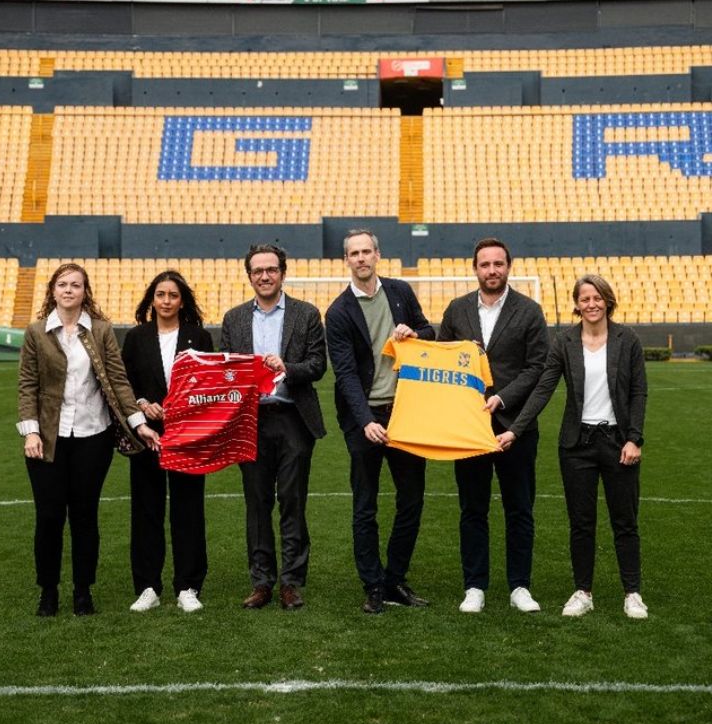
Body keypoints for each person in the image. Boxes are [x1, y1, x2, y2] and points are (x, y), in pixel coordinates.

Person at [497, 274, 648, 619]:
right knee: (581, 522)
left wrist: (633, 438)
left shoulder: (628, 340)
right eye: (584, 299)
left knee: (625, 521)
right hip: (576, 446)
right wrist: (515, 430)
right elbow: (542, 390)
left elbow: (639, 392)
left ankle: (632, 593)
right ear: (576, 304)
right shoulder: (564, 342)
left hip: (617, 443)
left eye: (597, 298)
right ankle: (583, 591)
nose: (591, 304)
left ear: (607, 301)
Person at [17, 263, 160, 617]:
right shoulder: (36, 333)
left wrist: (138, 423)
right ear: (53, 290)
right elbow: (27, 385)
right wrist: (31, 431)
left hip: (92, 437)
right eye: (63, 284)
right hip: (47, 438)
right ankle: (48, 591)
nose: (69, 290)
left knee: (84, 516)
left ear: (85, 291)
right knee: (49, 516)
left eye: (76, 285)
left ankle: (83, 592)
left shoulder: (100, 330)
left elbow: (118, 380)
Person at [325, 229, 435, 614]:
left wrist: (414, 331)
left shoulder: (401, 292)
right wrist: (365, 421)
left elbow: (429, 332)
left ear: (378, 254)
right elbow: (346, 374)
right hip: (365, 417)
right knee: (365, 505)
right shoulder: (338, 312)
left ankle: (395, 579)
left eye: (366, 251)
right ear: (347, 261)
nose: (361, 258)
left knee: (411, 500)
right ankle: (372, 584)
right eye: (353, 253)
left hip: (407, 412)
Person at [438, 237, 548, 614]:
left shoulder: (529, 311)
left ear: (508, 266)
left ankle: (520, 585)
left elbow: (537, 367)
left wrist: (503, 398)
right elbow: (444, 362)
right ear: (475, 268)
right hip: (469, 429)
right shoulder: (456, 310)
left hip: (515, 427)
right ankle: (475, 585)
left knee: (520, 509)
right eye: (485, 264)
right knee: (472, 509)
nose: (492, 271)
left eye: (498, 264)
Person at [220, 244, 326, 611]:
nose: (264, 276)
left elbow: (317, 365)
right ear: (249, 276)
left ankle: (292, 583)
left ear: (283, 272)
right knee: (257, 503)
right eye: (257, 271)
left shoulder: (306, 314)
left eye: (271, 269)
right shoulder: (233, 319)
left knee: (292, 502)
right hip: (250, 421)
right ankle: (262, 581)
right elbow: (226, 372)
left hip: (294, 417)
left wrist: (287, 367)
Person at [121, 270, 213, 614]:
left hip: (188, 436)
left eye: (173, 295)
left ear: (182, 300)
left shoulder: (199, 337)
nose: (166, 301)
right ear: (152, 298)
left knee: (189, 510)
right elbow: (125, 385)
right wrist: (143, 404)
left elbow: (207, 386)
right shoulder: (136, 338)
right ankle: (148, 586)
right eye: (161, 294)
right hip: (147, 436)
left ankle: (188, 586)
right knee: (146, 510)